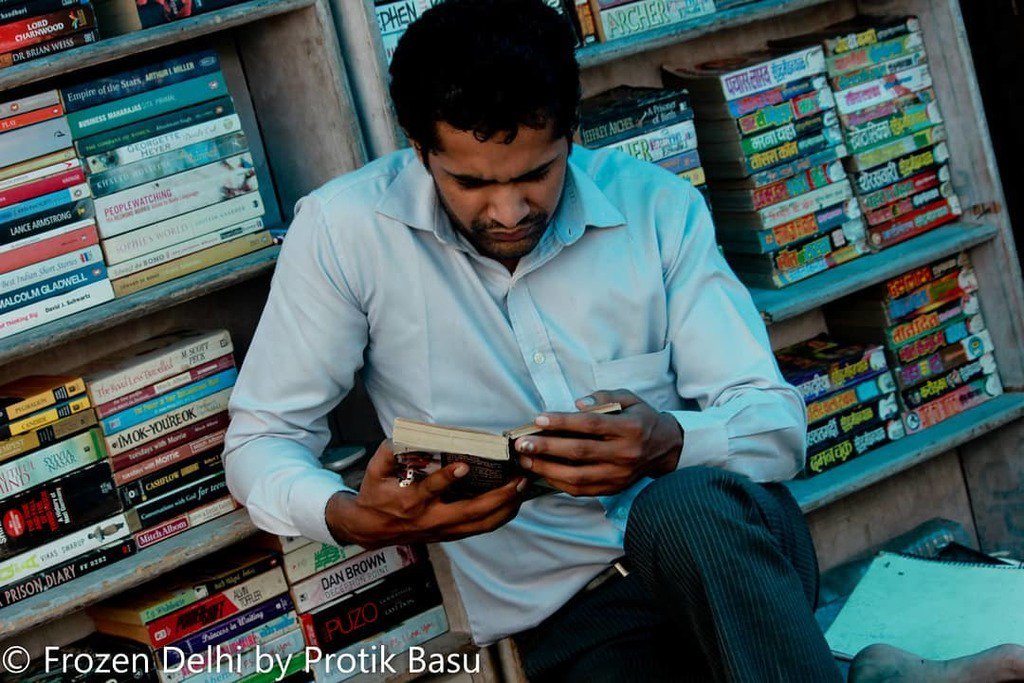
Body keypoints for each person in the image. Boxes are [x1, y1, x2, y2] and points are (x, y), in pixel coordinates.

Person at [221, 0, 1023, 680]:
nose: (508, 212)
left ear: (572, 130)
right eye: (471, 182)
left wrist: (670, 442)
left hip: (732, 550)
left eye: (536, 174)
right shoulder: (345, 231)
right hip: (568, 611)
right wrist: (352, 516)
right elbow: (261, 441)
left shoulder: (657, 207)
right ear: (418, 145)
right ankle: (866, 670)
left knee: (682, 508)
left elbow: (778, 427)